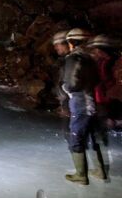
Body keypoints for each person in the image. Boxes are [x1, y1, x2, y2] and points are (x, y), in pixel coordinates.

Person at [62, 28, 104, 184]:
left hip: (80, 104)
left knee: (76, 138)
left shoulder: (73, 59)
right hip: (91, 103)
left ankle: (81, 175)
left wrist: (66, 89)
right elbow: (97, 80)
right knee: (92, 137)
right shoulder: (91, 59)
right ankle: (99, 170)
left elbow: (71, 83)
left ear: (71, 42)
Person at [87, 35, 121, 129]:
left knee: (112, 118)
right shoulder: (101, 61)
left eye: (96, 49)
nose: (94, 52)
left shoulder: (114, 61)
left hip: (111, 96)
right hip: (101, 96)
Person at [52, 31, 71, 116]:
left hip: (71, 102)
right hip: (66, 101)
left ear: (66, 44)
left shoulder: (73, 60)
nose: (55, 47)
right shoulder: (63, 60)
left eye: (57, 44)